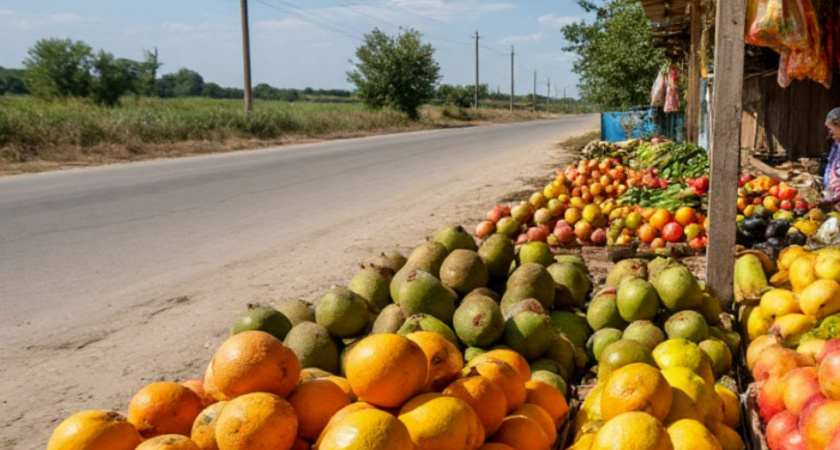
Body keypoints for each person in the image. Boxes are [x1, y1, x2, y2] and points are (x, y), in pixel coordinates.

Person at [823, 107, 840, 204]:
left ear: (837, 123)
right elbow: (830, 168)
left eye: (830, 128)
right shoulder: (836, 146)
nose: (829, 132)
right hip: (833, 198)